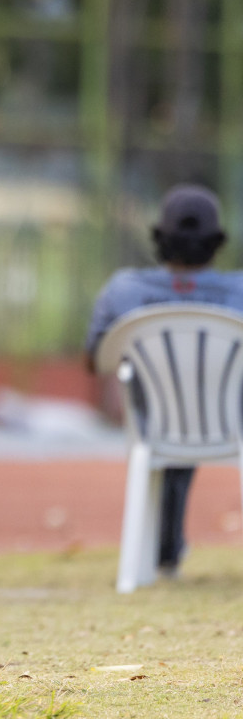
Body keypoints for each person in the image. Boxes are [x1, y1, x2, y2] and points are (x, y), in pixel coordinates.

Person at [86, 184, 243, 578]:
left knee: (168, 406)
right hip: (232, 425)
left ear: (159, 238)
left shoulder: (123, 291)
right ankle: (167, 549)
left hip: (154, 427)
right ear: (217, 242)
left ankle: (164, 551)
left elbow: (95, 360)